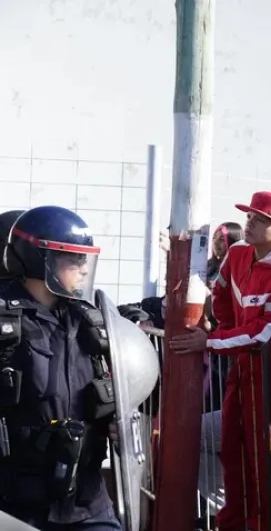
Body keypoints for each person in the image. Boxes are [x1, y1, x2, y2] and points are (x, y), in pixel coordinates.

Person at [170, 191, 271, 531]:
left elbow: (266, 333)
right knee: (233, 457)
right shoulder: (236, 253)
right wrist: (225, 330)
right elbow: (219, 291)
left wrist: (213, 340)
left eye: (261, 219)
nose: (250, 223)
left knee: (265, 467)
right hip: (242, 370)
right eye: (250, 216)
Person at [0, 205, 120, 529]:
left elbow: (118, 386)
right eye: (74, 259)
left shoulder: (91, 321)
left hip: (87, 503)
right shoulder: (4, 319)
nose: (83, 270)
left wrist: (116, 424)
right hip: (16, 505)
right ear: (41, 259)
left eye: (85, 260)